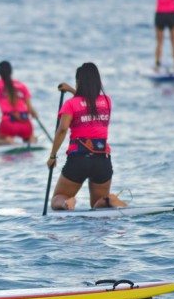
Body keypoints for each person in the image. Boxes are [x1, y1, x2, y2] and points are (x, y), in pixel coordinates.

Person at [47, 63, 127, 210]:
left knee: (56, 200)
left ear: (79, 82)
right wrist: (71, 90)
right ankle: (109, 200)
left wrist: (52, 156)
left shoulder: (70, 104)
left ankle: (66, 203)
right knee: (97, 206)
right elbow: (87, 101)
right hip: (102, 161)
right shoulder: (107, 101)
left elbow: (63, 129)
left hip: (78, 160)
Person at [0, 51, 40, 146]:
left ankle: (9, 142)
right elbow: (31, 110)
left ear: (0, 73)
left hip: (8, 124)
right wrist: (35, 114)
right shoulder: (22, 86)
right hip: (25, 123)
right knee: (30, 136)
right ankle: (31, 140)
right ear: (11, 71)